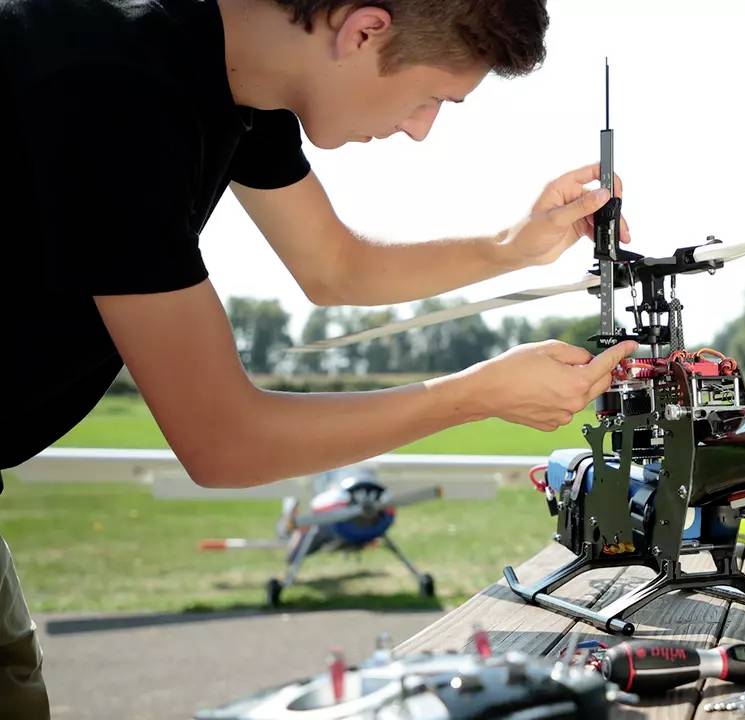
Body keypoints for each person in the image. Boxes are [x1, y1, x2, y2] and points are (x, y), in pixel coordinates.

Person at [0, 0, 636, 715]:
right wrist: (474, 396)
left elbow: (334, 267)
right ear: (363, 30)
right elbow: (223, 441)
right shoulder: (109, 88)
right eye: (433, 97)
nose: (422, 129)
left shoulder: (233, 75)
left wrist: (509, 247)